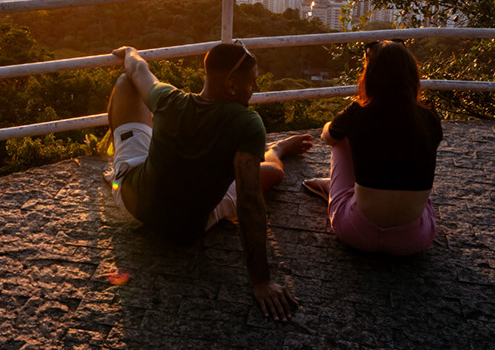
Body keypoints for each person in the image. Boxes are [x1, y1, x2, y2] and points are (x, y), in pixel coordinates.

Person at [107, 41, 312, 321]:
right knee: (274, 172)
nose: (253, 90)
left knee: (125, 81)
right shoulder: (246, 123)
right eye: (251, 83)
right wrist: (261, 281)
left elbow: (137, 68)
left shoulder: (169, 99)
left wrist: (130, 50)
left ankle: (117, 171)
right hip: (188, 229)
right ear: (231, 83)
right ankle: (275, 151)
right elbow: (250, 204)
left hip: (133, 199)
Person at [303, 40, 443, 254]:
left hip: (356, 232)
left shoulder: (358, 113)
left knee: (339, 139)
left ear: (371, 76)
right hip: (414, 239)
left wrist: (335, 125)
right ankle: (345, 190)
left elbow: (328, 137)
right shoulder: (429, 118)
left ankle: (337, 189)